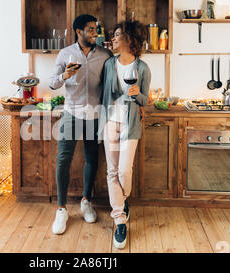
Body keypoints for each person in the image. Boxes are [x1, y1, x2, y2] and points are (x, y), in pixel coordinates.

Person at [49, 14, 113, 235]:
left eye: (96, 28)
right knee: (63, 159)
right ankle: (61, 209)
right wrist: (64, 75)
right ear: (79, 31)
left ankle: (86, 200)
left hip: (95, 114)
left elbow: (110, 83)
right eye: (91, 29)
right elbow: (52, 82)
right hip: (71, 113)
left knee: (91, 158)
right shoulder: (66, 54)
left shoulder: (105, 55)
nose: (95, 32)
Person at [98, 21, 150, 249]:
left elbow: (145, 100)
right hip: (110, 121)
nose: (114, 38)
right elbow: (104, 94)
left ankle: (122, 198)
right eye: (114, 34)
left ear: (131, 39)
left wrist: (138, 95)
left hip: (130, 124)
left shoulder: (143, 68)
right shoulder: (109, 64)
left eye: (118, 35)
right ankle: (120, 220)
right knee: (112, 171)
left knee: (123, 170)